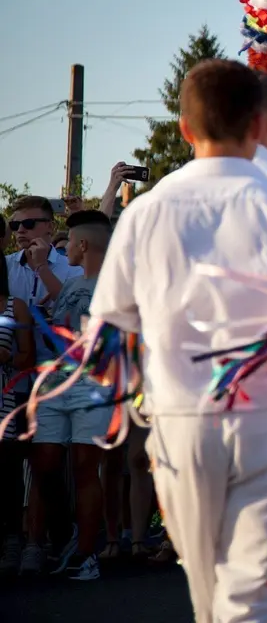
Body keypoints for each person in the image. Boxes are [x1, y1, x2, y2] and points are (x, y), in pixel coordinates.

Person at [88, 59, 267, 622]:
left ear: (185, 129)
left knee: (209, 593)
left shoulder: (146, 210)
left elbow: (108, 336)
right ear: (262, 126)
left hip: (182, 422)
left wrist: (140, 394)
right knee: (249, 595)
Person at [31, 210, 114, 581]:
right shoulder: (73, 283)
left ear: (82, 244)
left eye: (69, 245)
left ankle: (86, 555)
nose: (65, 253)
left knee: (84, 465)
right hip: (55, 382)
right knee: (45, 461)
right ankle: (66, 534)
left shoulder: (118, 286)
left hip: (94, 383)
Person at [5, 195, 83, 575]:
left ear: (50, 227)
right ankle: (19, 540)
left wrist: (41, 269)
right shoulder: (5, 266)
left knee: (45, 463)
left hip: (55, 378)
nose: (20, 231)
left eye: (29, 223)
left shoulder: (70, 267)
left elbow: (75, 312)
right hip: (13, 380)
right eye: (14, 225)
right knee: (11, 466)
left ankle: (42, 541)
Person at [0, 249, 35, 576]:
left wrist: (7, 357)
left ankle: (12, 540)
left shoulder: (15, 306)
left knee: (8, 475)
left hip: (4, 401)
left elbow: (28, 356)